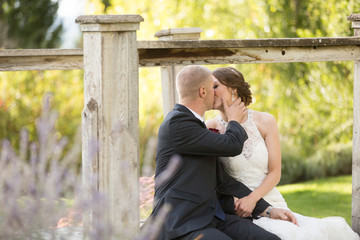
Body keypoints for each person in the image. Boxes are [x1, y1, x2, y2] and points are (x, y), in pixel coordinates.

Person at [206, 66, 360, 240]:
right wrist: (242, 202)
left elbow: (275, 172)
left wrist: (253, 199)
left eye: (215, 86)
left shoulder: (265, 121)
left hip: (270, 201)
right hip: (238, 210)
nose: (209, 92)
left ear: (233, 89)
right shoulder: (209, 127)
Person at [150, 65, 297, 240]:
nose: (215, 92)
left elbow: (224, 181)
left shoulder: (197, 126)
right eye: (213, 86)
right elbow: (233, 145)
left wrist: (269, 210)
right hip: (183, 222)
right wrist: (234, 118)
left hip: (213, 216)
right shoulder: (178, 123)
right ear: (203, 91)